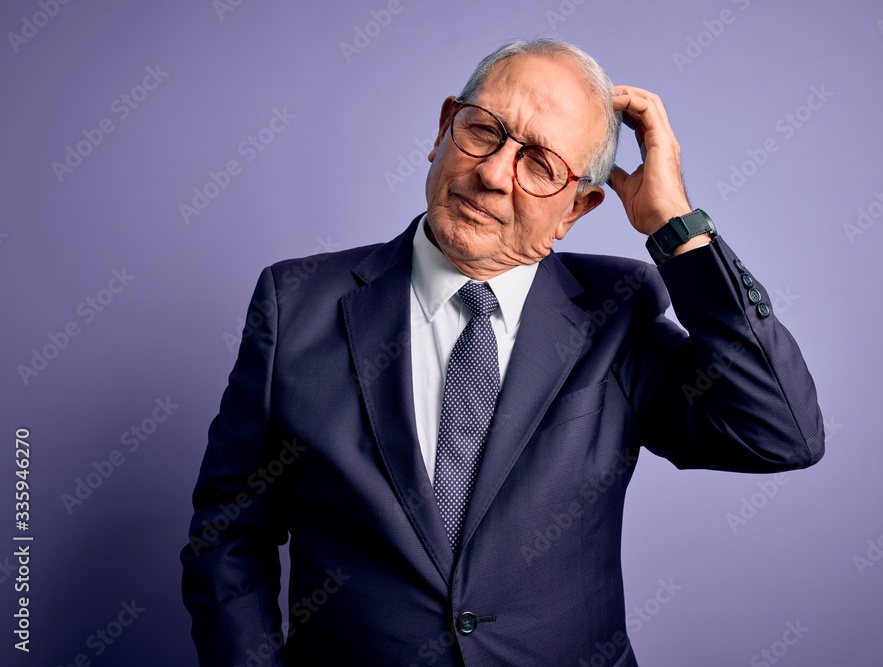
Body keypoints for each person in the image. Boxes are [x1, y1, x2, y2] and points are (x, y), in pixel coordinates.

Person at [180, 38, 824, 666]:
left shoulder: (616, 313)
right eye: (483, 131)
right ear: (442, 130)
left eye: (540, 164)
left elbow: (779, 433)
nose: (491, 174)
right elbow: (228, 535)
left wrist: (676, 227)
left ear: (577, 209)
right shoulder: (295, 303)